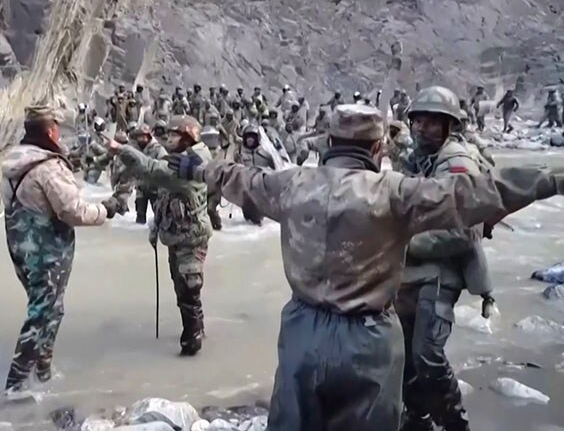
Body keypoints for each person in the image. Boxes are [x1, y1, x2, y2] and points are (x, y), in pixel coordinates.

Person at [145, 104, 564, 431]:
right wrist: (552, 179)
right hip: (370, 340)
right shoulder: (397, 193)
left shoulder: (292, 183)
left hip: (302, 332)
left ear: (328, 142)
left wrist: (198, 167)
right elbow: (479, 192)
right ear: (378, 149)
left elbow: (239, 178)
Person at [0, 106, 120, 402]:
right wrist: (105, 211)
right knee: (42, 313)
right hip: (47, 254)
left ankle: (43, 371)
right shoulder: (48, 167)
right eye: (57, 128)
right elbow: (73, 211)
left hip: (20, 249)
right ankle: (14, 387)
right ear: (51, 131)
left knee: (51, 308)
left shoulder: (14, 162)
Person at [400, 88, 497, 431]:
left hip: (444, 267)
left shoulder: (458, 163)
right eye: (418, 121)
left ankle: (455, 423)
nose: (421, 129)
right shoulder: (415, 159)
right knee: (403, 352)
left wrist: (408, 245)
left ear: (448, 127)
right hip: (410, 269)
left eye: (431, 123)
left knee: (426, 354)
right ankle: (417, 417)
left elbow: (464, 232)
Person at [111, 115, 213, 355]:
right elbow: (165, 197)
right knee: (181, 289)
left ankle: (193, 337)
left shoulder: (193, 163)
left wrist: (120, 149)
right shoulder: (180, 159)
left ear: (188, 137)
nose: (168, 138)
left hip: (191, 236)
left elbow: (154, 170)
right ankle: (197, 327)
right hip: (175, 233)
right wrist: (156, 228)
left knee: (190, 287)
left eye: (174, 135)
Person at [132, 124, 168, 224]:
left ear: (148, 136)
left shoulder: (158, 149)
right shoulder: (135, 149)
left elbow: (165, 165)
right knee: (140, 217)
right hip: (140, 188)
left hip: (155, 188)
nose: (141, 139)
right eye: (139, 136)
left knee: (159, 217)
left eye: (143, 136)